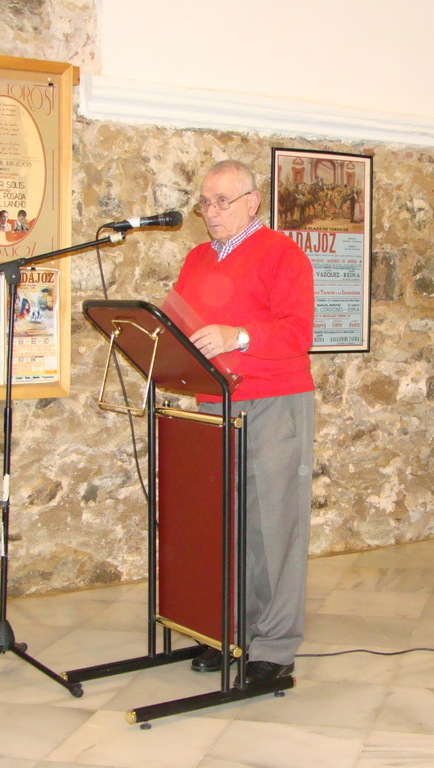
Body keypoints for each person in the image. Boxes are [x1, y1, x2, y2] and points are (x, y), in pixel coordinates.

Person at [174, 159, 315, 684]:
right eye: (205, 203)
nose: (211, 212)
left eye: (222, 202)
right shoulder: (196, 258)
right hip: (216, 403)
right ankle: (231, 632)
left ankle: (274, 648)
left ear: (252, 201)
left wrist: (240, 336)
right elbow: (182, 323)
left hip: (275, 402)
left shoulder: (283, 254)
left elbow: (297, 333)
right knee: (225, 524)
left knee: (273, 527)